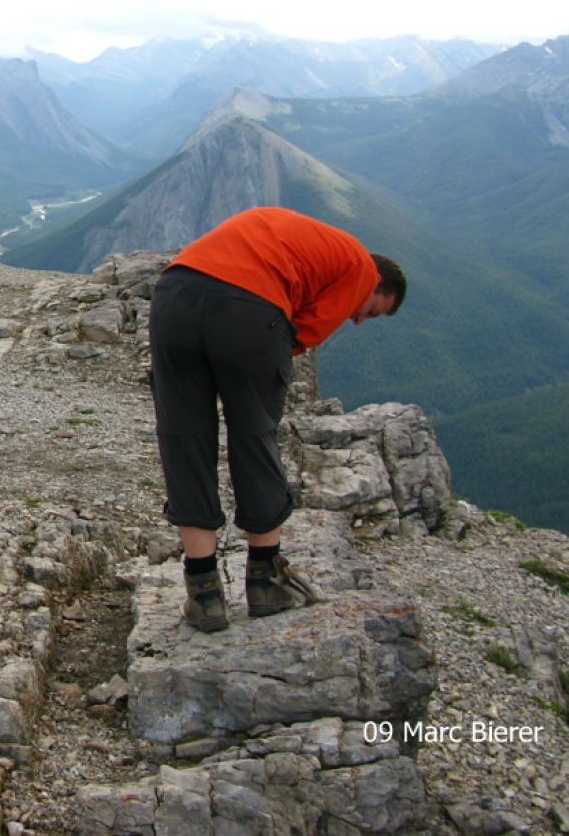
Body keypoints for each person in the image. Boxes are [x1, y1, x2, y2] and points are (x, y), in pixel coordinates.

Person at [148, 207, 406, 632]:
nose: (359, 320)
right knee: (254, 437)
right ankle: (266, 580)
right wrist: (259, 355)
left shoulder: (310, 241)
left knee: (184, 439)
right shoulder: (361, 265)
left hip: (174, 296)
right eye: (372, 311)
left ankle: (204, 592)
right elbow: (304, 332)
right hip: (247, 309)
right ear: (377, 283)